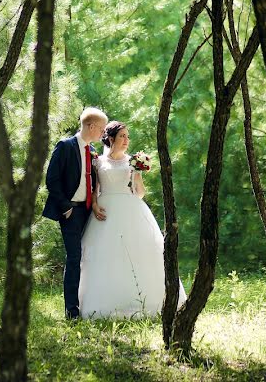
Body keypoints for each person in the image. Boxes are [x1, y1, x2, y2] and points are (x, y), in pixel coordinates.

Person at [78, 120, 186, 319]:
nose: (127, 140)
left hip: (130, 208)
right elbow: (95, 189)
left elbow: (140, 193)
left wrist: (138, 174)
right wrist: (94, 204)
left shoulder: (132, 161)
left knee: (139, 252)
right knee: (107, 255)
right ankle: (106, 301)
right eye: (122, 136)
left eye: (128, 136)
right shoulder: (97, 161)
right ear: (111, 139)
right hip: (105, 209)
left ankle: (150, 301)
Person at [41, 107, 107, 319]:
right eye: (101, 129)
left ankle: (91, 301)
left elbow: (94, 181)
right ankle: (72, 310)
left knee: (91, 256)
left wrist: (95, 204)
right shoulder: (66, 146)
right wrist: (66, 207)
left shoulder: (92, 151)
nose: (103, 133)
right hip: (72, 212)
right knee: (74, 257)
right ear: (90, 126)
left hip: (89, 210)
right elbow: (52, 179)